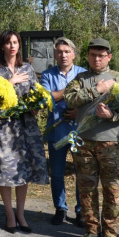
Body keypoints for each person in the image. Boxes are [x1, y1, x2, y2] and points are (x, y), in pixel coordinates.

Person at [64, 38, 119, 237]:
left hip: (110, 143)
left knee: (112, 190)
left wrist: (112, 114)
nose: (97, 59)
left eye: (101, 55)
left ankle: (110, 234)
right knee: (86, 189)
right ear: (88, 56)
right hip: (83, 142)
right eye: (93, 55)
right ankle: (91, 231)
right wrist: (96, 89)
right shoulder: (81, 78)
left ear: (109, 57)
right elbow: (69, 99)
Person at [0, 30, 49, 234]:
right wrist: (9, 83)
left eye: (15, 42)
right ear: (2, 46)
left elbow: (37, 92)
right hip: (5, 126)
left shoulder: (28, 69)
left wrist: (37, 105)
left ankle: (21, 213)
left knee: (24, 170)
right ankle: (9, 214)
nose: (12, 46)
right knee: (6, 170)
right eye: (8, 42)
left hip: (26, 126)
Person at [39, 37, 85, 226]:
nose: (63, 55)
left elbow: (91, 99)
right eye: (59, 52)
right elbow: (44, 100)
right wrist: (69, 91)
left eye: (67, 51)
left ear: (74, 53)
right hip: (57, 131)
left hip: (78, 132)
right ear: (55, 54)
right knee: (57, 172)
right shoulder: (48, 75)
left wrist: (78, 110)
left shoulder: (84, 73)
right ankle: (60, 208)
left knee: (81, 171)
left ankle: (81, 210)